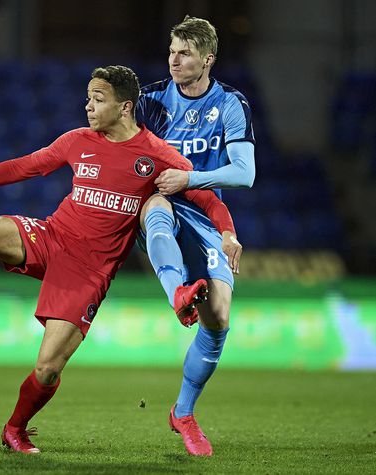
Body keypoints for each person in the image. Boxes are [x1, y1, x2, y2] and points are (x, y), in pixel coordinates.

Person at [0, 65, 242, 454]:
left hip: (89, 272)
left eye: (97, 99)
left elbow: (205, 196)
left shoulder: (156, 155)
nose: (87, 105)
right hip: (52, 237)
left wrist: (227, 233)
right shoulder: (77, 140)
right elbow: (24, 166)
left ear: (125, 107)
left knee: (47, 369)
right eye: (88, 97)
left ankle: (15, 428)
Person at [136, 16, 256, 456]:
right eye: (171, 51)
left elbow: (245, 173)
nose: (174, 60)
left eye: (184, 53)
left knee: (219, 318)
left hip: (204, 215)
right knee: (158, 206)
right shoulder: (149, 100)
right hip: (154, 209)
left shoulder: (230, 104)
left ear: (207, 59)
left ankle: (183, 413)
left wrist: (191, 180)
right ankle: (177, 293)